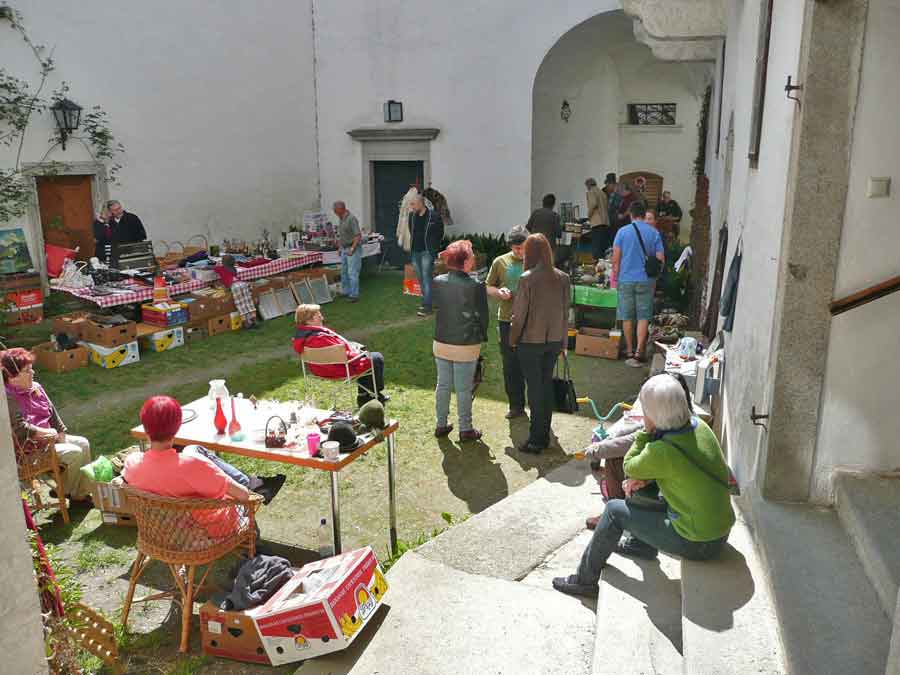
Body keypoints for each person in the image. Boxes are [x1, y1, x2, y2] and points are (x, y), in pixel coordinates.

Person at [553, 374, 735, 597]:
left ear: (655, 414)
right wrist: (644, 477)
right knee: (640, 488)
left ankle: (584, 580)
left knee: (613, 511)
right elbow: (673, 468)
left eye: (646, 410)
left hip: (699, 542)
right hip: (718, 529)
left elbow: (629, 465)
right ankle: (641, 545)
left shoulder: (661, 451)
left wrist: (645, 433)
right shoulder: (699, 427)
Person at [123, 396, 253, 537]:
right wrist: (216, 473)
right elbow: (243, 495)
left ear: (145, 428)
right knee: (243, 487)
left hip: (161, 533)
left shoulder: (131, 464)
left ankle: (252, 481)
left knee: (192, 449)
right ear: (178, 426)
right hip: (209, 531)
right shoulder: (193, 466)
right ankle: (252, 482)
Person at [2, 348, 93, 503]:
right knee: (74, 452)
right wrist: (48, 433)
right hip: (30, 451)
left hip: (49, 439)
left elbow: (52, 413)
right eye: (27, 371)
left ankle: (79, 494)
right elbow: (20, 430)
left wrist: (60, 433)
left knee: (83, 443)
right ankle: (65, 490)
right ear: (12, 377)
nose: (33, 373)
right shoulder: (7, 397)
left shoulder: (35, 387)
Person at [509, 234, 571, 454]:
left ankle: (537, 439)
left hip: (530, 342)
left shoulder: (527, 279)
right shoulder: (563, 278)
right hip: (553, 340)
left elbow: (519, 316)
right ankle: (542, 436)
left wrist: (512, 340)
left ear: (530, 252)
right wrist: (564, 342)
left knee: (536, 390)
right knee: (544, 386)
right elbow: (565, 313)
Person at [432, 240, 489, 443]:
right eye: (471, 254)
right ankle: (465, 429)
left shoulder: (438, 281)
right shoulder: (476, 286)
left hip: (441, 340)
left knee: (443, 384)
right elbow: (483, 317)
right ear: (465, 261)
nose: (474, 257)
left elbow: (436, 306)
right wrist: (483, 337)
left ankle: (441, 424)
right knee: (464, 388)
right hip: (466, 343)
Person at [293, 304, 389, 407]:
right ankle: (369, 396)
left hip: (319, 369)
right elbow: (345, 356)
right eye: (317, 315)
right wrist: (359, 353)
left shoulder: (301, 337)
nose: (321, 316)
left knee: (367, 358)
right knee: (375, 358)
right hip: (340, 369)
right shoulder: (319, 338)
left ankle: (365, 395)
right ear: (309, 320)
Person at [613, 201, 664, 367]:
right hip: (646, 280)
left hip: (625, 279)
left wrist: (615, 279)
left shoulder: (622, 232)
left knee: (627, 316)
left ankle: (628, 350)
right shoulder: (654, 233)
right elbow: (660, 259)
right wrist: (655, 279)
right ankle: (639, 353)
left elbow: (616, 260)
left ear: (631, 214)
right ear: (644, 215)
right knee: (643, 317)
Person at [485, 226, 528, 420]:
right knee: (511, 365)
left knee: (531, 364)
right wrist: (499, 292)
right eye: (516, 248)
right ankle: (516, 405)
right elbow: (487, 286)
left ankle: (536, 405)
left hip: (531, 321)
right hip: (506, 320)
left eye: (523, 247)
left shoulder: (536, 261)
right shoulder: (500, 262)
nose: (520, 252)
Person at [408, 193, 445, 317]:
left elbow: (440, 232)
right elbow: (411, 230)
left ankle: (427, 306)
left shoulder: (433, 216)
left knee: (426, 277)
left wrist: (434, 246)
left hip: (427, 252)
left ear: (420, 203)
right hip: (415, 251)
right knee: (420, 278)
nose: (411, 206)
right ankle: (431, 300)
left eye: (413, 204)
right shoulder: (411, 216)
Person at [214, 254, 258, 329]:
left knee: (240, 304)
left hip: (234, 286)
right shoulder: (233, 269)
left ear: (223, 262)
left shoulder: (221, 269)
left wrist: (217, 263)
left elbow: (215, 268)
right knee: (248, 302)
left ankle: (245, 322)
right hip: (242, 284)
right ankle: (253, 320)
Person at [334, 201, 362, 303]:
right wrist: (340, 248)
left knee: (352, 272)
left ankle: (354, 295)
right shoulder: (341, 219)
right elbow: (342, 236)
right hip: (345, 248)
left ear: (341, 209)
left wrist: (352, 249)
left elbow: (358, 236)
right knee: (344, 272)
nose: (335, 213)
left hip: (352, 248)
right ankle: (346, 291)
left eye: (336, 211)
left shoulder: (351, 219)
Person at [585, 178, 610, 260]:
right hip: (605, 222)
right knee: (603, 248)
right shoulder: (602, 193)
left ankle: (597, 268)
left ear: (588, 185)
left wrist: (588, 216)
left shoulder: (591, 192)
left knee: (596, 249)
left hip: (597, 223)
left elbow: (593, 204)